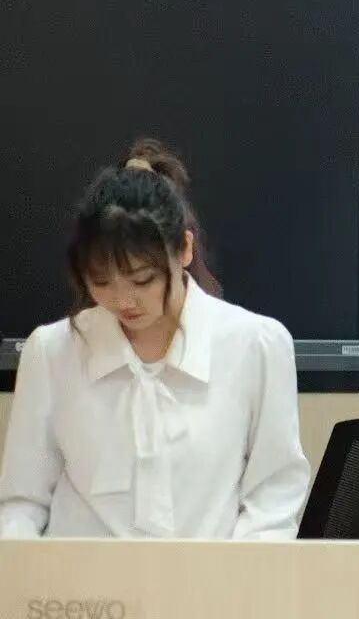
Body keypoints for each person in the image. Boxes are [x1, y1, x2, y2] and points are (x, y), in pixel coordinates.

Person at [0, 140, 310, 539]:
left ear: (184, 249)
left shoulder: (256, 345)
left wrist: (236, 576)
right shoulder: (52, 350)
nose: (123, 301)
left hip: (208, 575)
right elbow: (22, 502)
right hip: (82, 578)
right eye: (101, 283)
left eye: (143, 280)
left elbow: (273, 500)